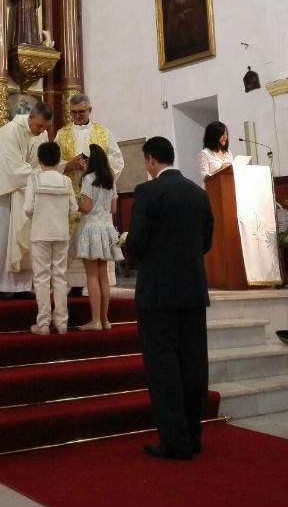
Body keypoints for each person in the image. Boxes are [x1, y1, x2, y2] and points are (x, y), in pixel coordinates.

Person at [125, 136, 214, 460]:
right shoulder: (197, 192)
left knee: (163, 367)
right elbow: (206, 240)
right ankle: (193, 435)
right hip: (192, 291)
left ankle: (174, 441)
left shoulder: (148, 192)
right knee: (193, 365)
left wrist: (130, 249)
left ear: (150, 161)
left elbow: (136, 244)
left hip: (158, 295)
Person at [0, 101, 53, 299]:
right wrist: (42, 176)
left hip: (24, 191)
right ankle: (0, 285)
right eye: (39, 125)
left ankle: (22, 286)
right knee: (1, 240)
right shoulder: (10, 131)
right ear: (31, 117)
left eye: (45, 127)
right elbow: (12, 169)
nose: (42, 130)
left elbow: (40, 162)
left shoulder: (41, 134)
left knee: (24, 238)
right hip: (2, 193)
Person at [55, 93, 124, 295]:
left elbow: (117, 161)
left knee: (98, 259)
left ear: (90, 110)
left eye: (81, 112)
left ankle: (99, 291)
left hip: (97, 198)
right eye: (73, 112)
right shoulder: (61, 134)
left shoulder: (104, 133)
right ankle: (75, 284)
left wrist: (95, 168)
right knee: (74, 242)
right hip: (73, 196)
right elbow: (53, 160)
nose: (77, 115)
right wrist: (69, 164)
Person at [24, 141, 77, 334]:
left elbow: (28, 208)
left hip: (40, 233)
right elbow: (73, 209)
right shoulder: (66, 181)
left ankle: (44, 323)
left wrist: (39, 216)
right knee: (61, 278)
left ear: (39, 160)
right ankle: (62, 323)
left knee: (41, 278)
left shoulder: (35, 179)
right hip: (61, 234)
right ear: (58, 159)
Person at [70, 143, 123, 330]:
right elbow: (114, 209)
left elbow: (85, 207)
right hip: (106, 228)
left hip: (91, 228)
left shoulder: (88, 179)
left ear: (89, 161)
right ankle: (105, 319)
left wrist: (74, 203)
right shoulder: (110, 180)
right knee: (103, 277)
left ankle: (95, 320)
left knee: (91, 276)